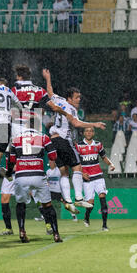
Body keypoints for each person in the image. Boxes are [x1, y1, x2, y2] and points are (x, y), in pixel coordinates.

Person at [43, 69, 106, 213]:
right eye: (77, 97)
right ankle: (78, 198)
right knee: (77, 168)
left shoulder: (58, 100)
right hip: (64, 141)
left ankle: (68, 201)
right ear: (70, 99)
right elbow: (76, 124)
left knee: (64, 172)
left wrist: (48, 78)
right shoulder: (70, 109)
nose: (79, 100)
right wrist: (94, 124)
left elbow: (50, 92)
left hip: (52, 141)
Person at [6, 126, 63, 243]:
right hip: (38, 175)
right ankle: (56, 234)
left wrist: (8, 172)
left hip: (21, 176)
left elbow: (11, 160)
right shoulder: (44, 137)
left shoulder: (16, 139)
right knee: (48, 205)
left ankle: (22, 231)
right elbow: (53, 156)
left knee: (20, 204)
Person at [75, 127, 115, 231]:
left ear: (93, 133)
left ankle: (104, 225)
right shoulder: (78, 146)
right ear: (84, 133)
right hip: (87, 178)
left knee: (102, 198)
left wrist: (111, 164)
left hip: (98, 176)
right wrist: (82, 173)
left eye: (91, 131)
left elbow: (104, 157)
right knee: (90, 204)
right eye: (87, 131)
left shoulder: (98, 144)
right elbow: (76, 163)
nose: (89, 133)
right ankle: (86, 217)